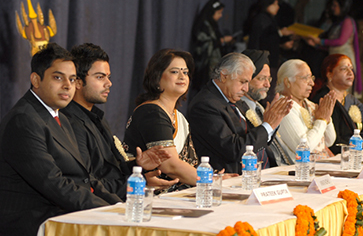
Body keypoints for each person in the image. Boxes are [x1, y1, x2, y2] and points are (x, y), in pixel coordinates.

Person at [0, 43, 122, 236]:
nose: (68, 86)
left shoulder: (61, 118)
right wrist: (107, 211)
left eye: (72, 79)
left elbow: (85, 178)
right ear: (36, 80)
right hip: (31, 220)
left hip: (61, 211)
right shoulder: (23, 120)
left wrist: (119, 205)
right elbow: (54, 183)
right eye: (58, 77)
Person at [61, 43, 177, 201]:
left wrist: (139, 166)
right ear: (79, 82)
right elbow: (88, 184)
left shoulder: (97, 117)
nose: (109, 83)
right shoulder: (69, 122)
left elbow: (111, 171)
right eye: (100, 77)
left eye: (108, 77)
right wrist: (137, 185)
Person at [188, 52, 293, 174]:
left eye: (248, 82)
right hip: (229, 179)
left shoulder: (234, 99)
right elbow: (235, 150)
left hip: (258, 173)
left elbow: (254, 140)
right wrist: (268, 125)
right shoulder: (205, 105)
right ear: (224, 76)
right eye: (242, 82)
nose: (246, 89)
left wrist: (272, 123)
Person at [123, 48, 199, 193]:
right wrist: (210, 181)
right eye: (175, 72)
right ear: (157, 78)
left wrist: (213, 176)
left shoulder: (178, 116)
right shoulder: (152, 113)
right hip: (152, 196)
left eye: (185, 72)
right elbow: (171, 166)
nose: (182, 76)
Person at [276, 59, 337, 162]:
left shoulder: (309, 104)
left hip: (322, 166)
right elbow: (304, 148)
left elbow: (330, 140)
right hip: (302, 170)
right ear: (287, 82)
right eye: (305, 78)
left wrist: (327, 117)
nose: (312, 83)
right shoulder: (284, 108)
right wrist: (322, 120)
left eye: (311, 78)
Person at [241, 49, 293, 165]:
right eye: (261, 78)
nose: (267, 84)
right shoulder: (239, 108)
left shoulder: (259, 106)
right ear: (246, 79)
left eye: (268, 79)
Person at [307, 0, 362, 96]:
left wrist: (320, 41)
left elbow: (340, 41)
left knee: (343, 88)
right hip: (335, 61)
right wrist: (316, 45)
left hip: (344, 60)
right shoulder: (337, 22)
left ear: (343, 7)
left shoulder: (347, 21)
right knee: (334, 88)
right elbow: (331, 45)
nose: (333, 8)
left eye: (335, 5)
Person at [244, 0, 294, 104]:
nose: (278, 7)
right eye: (275, 4)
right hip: (263, 62)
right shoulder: (262, 18)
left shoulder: (268, 19)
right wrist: (280, 33)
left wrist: (282, 44)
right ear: (267, 4)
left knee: (269, 88)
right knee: (265, 89)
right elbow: (265, 39)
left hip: (270, 61)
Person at [312, 54, 363, 154]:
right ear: (329, 74)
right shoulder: (323, 99)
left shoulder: (352, 100)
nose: (350, 73)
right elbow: (333, 142)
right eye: (344, 69)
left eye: (351, 68)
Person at [189, 0, 234, 101]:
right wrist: (221, 41)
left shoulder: (213, 25)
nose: (220, 16)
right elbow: (202, 44)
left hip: (214, 65)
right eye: (219, 13)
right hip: (205, 67)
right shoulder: (204, 25)